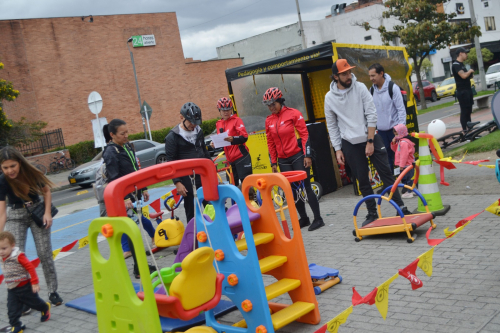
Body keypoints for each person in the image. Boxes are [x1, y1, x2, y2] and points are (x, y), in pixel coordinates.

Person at [324, 59, 411, 226]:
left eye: (349, 72)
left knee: (386, 172)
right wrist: (338, 149)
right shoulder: (329, 98)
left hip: (369, 136)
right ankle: (372, 212)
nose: (349, 76)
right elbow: (332, 125)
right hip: (349, 141)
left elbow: (371, 114)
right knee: (362, 179)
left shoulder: (361, 88)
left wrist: (370, 141)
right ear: (335, 76)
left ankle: (401, 206)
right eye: (344, 74)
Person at [0, 147, 63, 306]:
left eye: (12, 166)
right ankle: (25, 298)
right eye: (5, 167)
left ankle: (52, 291)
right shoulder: (2, 180)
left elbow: (46, 192)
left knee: (44, 253)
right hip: (15, 216)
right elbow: (2, 212)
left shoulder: (31, 173)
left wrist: (47, 213)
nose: (9, 170)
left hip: (37, 212)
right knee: (14, 257)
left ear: (19, 162)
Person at [263, 87, 325, 232]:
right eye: (268, 105)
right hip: (283, 160)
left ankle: (318, 218)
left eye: (273, 104)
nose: (271, 107)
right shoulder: (269, 121)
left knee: (306, 186)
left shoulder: (293, 113)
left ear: (280, 101)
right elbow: (270, 143)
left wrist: (307, 155)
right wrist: (273, 162)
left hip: (298, 156)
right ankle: (304, 218)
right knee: (292, 190)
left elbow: (305, 135)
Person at [101, 119, 152, 279]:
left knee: (135, 230)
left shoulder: (127, 147)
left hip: (133, 193)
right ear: (112, 135)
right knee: (132, 232)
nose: (126, 136)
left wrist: (143, 187)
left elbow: (136, 170)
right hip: (123, 197)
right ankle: (139, 268)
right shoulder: (111, 152)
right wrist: (123, 198)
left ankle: (140, 266)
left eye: (127, 132)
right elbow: (113, 178)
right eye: (122, 134)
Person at [165, 102, 211, 223]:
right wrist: (177, 182)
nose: (194, 125)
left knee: (211, 206)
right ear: (182, 117)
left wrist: (211, 171)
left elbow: (204, 152)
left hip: (203, 177)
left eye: (196, 122)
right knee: (192, 212)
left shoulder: (198, 131)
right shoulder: (172, 137)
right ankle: (195, 238)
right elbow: (170, 162)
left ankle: (216, 233)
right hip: (187, 180)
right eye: (191, 122)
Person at [0, 231, 51, 333]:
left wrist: (35, 282)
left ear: (12, 245)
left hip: (25, 288)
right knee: (12, 310)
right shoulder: (2, 257)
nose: (1, 251)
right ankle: (17, 326)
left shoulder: (18, 256)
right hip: (12, 289)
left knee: (35, 303)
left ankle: (44, 307)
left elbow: (30, 267)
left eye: (4, 248)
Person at [368, 63, 407, 171]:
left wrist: (400, 130)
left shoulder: (392, 88)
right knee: (386, 160)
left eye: (373, 75)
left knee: (401, 158)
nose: (371, 78)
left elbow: (401, 110)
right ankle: (391, 186)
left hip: (394, 130)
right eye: (370, 76)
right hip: (381, 132)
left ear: (381, 73)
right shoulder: (371, 91)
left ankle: (405, 183)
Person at [212, 97, 252, 187]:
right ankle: (237, 202)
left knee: (247, 186)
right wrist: (214, 144)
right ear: (219, 110)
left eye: (228, 109)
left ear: (231, 109)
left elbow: (245, 137)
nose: (226, 112)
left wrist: (233, 139)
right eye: (223, 110)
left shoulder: (237, 120)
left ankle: (252, 200)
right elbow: (222, 141)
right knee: (232, 187)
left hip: (241, 157)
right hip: (229, 160)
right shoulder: (218, 123)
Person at [452, 47, 475, 133]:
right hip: (462, 91)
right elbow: (463, 76)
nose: (466, 55)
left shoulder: (462, 65)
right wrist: (469, 71)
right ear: (460, 53)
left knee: (469, 110)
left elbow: (468, 76)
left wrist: (469, 73)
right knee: (465, 110)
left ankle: (470, 127)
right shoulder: (456, 65)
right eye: (465, 53)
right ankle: (465, 129)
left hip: (468, 89)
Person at [391, 124, 416, 199]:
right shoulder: (400, 141)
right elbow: (396, 150)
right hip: (406, 164)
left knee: (409, 178)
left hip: (407, 164)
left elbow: (404, 155)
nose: (395, 135)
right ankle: (413, 190)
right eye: (395, 133)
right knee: (411, 178)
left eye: (397, 133)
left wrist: (401, 165)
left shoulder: (403, 143)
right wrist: (393, 143)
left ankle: (409, 192)